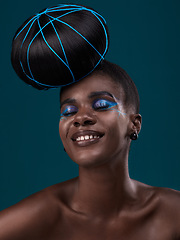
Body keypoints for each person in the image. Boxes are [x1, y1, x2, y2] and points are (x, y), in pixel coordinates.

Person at [0, 3, 180, 240]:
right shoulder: (38, 218)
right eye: (68, 110)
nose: (80, 118)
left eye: (102, 105)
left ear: (134, 124)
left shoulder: (173, 214)